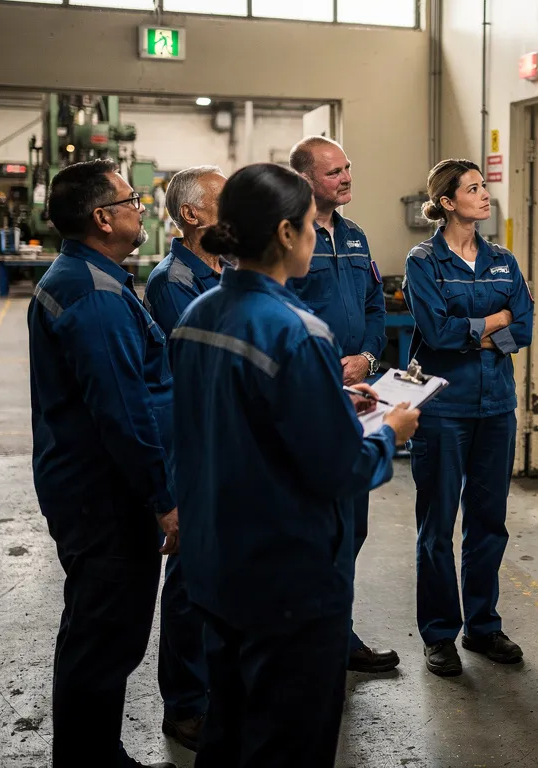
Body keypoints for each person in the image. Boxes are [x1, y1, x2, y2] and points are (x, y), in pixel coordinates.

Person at [167, 163, 420, 766]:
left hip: (217, 564)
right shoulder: (296, 332)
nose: (317, 237)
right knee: (291, 742)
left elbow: (236, 420)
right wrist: (389, 430)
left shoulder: (198, 315)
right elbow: (340, 470)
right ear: (285, 233)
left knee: (229, 729)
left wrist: (329, 401)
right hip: (284, 577)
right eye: (310, 226)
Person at [27, 159, 179, 768]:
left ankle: (96, 751)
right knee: (105, 633)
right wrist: (163, 499)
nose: (140, 208)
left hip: (93, 484)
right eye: (130, 199)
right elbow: (123, 411)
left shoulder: (89, 276)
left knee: (99, 628)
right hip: (105, 494)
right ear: (102, 217)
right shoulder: (95, 294)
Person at [402, 159, 534, 677]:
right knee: (436, 525)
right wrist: (491, 322)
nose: (485, 195)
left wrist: (482, 330)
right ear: (448, 202)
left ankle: (483, 625)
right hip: (444, 410)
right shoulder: (423, 262)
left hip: (496, 406)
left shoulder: (502, 260)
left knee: (488, 522)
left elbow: (521, 327)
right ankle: (439, 634)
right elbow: (435, 333)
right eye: (474, 189)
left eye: (485, 186)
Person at [286, 136, 395, 674]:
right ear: (306, 180)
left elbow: (374, 305)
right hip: (310, 395)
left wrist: (368, 355)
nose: (347, 177)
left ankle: (336, 631)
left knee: (354, 524)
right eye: (334, 172)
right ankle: (309, 636)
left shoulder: (355, 237)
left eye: (348, 167)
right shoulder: (290, 239)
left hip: (356, 392)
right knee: (317, 525)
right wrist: (328, 364)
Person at [140, 165, 226, 751]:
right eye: (227, 198)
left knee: (225, 573)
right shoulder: (173, 281)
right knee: (191, 579)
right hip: (196, 444)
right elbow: (209, 365)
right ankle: (186, 704)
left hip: (232, 443)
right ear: (192, 215)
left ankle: (218, 689)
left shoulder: (234, 270)